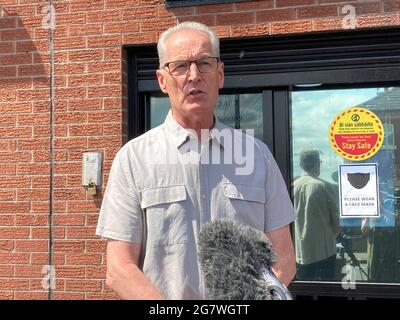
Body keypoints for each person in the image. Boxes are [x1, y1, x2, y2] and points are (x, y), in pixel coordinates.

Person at [96, 21, 296, 300]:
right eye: (179, 66)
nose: (193, 76)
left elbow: (283, 257)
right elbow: (119, 268)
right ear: (162, 80)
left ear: (220, 74)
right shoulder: (134, 159)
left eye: (204, 63)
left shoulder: (257, 155)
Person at [294, 148, 339, 281]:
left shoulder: (291, 187)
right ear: (317, 164)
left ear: (301, 165)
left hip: (299, 253)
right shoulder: (326, 187)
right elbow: (337, 222)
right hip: (323, 254)